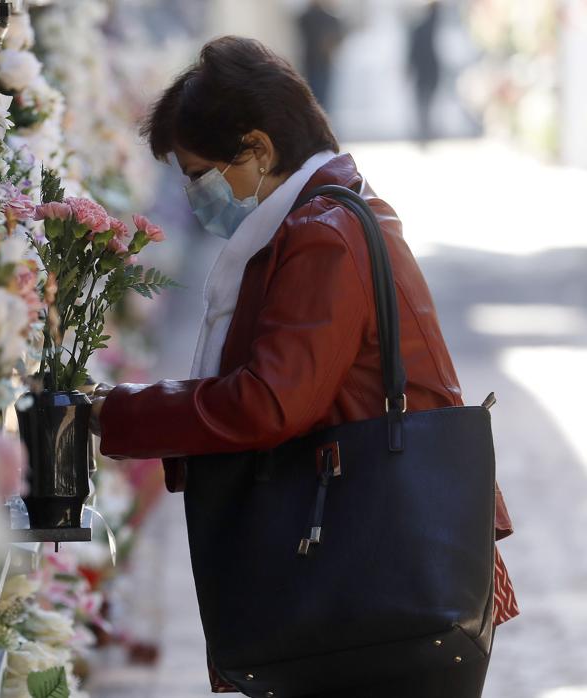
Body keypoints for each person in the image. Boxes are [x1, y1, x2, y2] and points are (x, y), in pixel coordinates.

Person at [90, 36, 518, 697]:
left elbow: (269, 401)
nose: (194, 195)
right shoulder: (321, 212)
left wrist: (115, 413)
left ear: (258, 149)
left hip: (374, 570)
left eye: (199, 175)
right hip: (374, 564)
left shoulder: (322, 231)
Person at [296, 0, 345, 112]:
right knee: (316, 97)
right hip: (312, 63)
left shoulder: (327, 18)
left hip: (321, 63)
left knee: (321, 97)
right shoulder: (309, 18)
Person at [408, 0, 443, 147]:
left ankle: (425, 135)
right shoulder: (429, 27)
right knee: (425, 105)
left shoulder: (422, 28)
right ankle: (424, 135)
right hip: (427, 71)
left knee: (425, 104)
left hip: (426, 72)